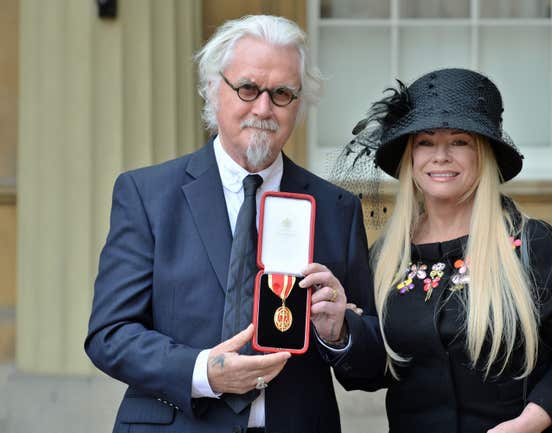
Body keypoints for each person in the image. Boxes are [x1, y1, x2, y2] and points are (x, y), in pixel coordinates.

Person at [85, 15, 382, 433]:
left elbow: (370, 372)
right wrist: (203, 371)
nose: (263, 108)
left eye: (281, 94)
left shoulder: (335, 208)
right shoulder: (147, 194)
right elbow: (109, 335)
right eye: (247, 88)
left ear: (298, 104)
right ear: (212, 88)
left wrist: (339, 331)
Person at [334, 68, 552, 433]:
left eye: (459, 142)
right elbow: (372, 373)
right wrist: (337, 331)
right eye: (425, 142)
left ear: (483, 155)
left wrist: (528, 424)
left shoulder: (532, 245)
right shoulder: (386, 258)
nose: (440, 156)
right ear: (410, 158)